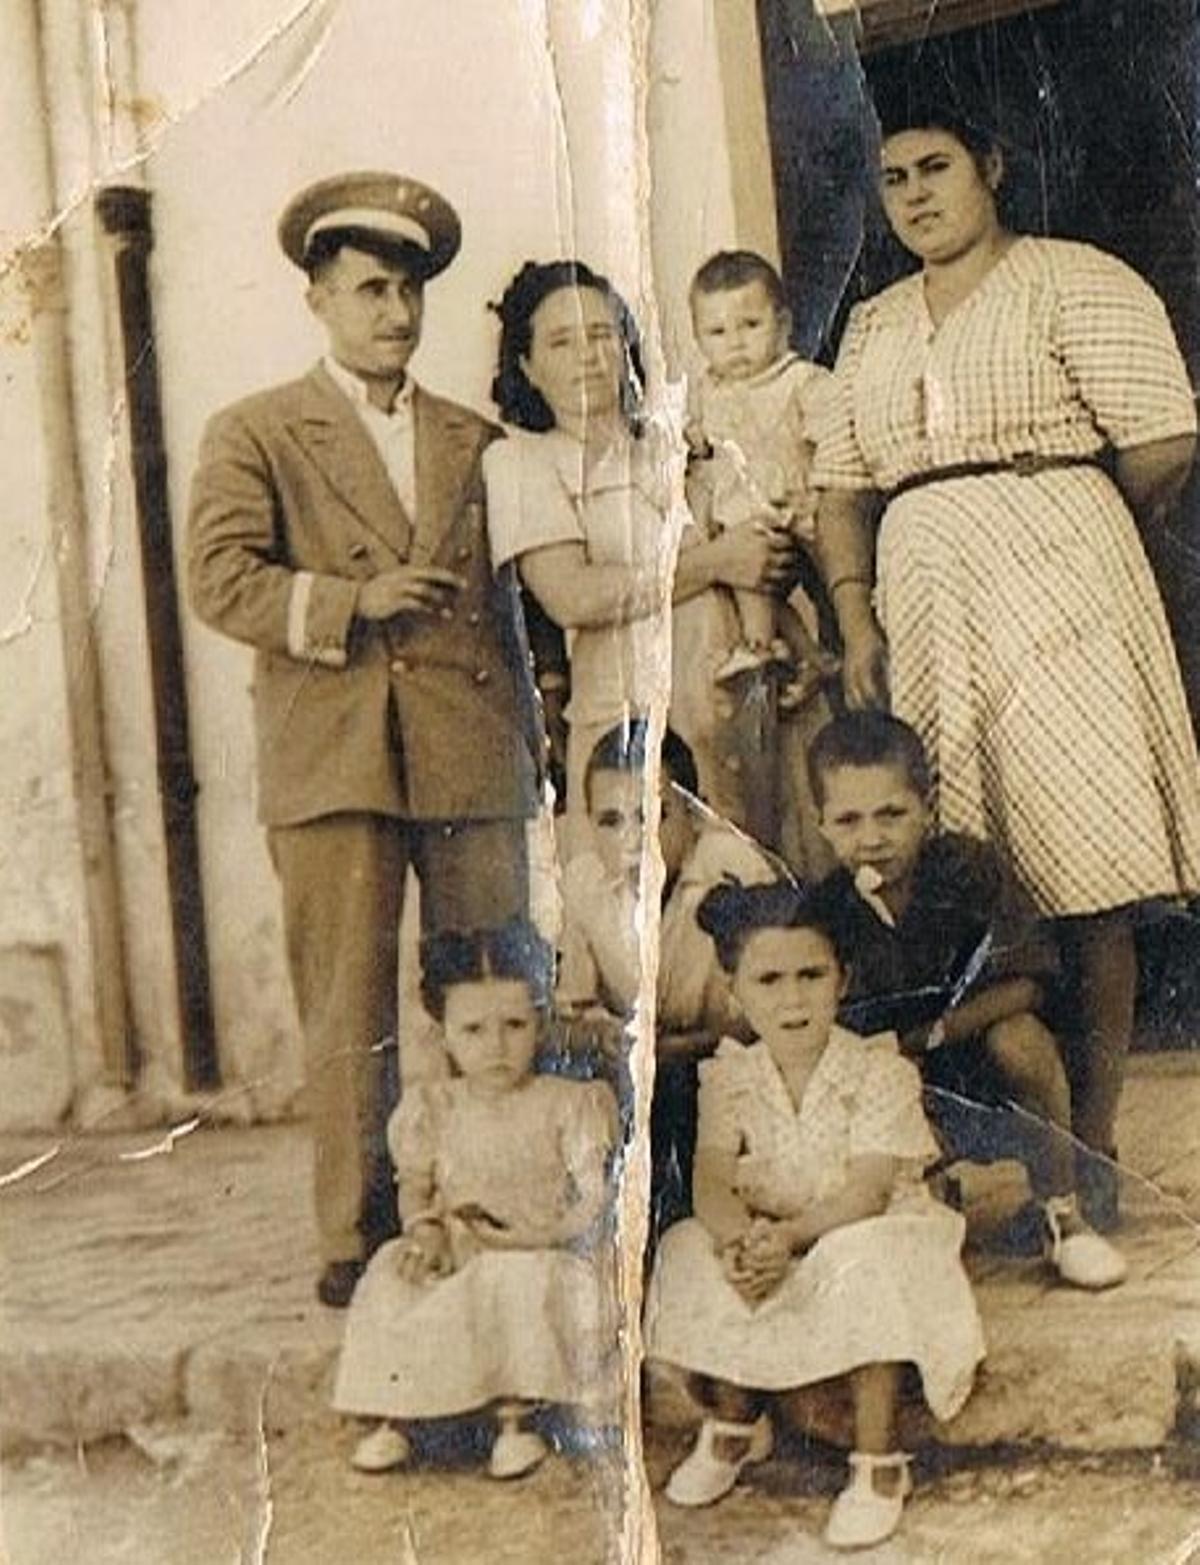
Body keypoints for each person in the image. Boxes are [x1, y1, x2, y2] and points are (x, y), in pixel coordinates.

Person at [813, 100, 1200, 1228]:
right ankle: (1023, 1160)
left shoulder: (1076, 279)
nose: (917, 193)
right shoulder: (876, 325)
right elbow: (841, 485)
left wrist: (1061, 532)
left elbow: (1165, 436)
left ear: (992, 166)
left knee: (1090, 872)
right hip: (925, 599)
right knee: (973, 867)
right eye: (893, 179)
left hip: (1063, 590)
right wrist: (856, 616)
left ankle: (1097, 1143)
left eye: (937, 167)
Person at [188, 173, 540, 1307]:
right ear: (318, 298)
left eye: (410, 293)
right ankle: (357, 1226)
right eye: (370, 290)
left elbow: (519, 600)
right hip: (333, 745)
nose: (395, 313)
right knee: (347, 999)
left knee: (493, 977)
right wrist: (350, 602)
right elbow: (219, 578)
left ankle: (509, 1198)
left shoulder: (474, 438)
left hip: (468, 744)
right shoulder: (255, 431)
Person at [644, 880, 984, 1551]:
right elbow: (712, 1176)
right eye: (769, 979)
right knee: (689, 1246)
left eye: (811, 975)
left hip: (869, 1229)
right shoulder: (730, 1075)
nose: (793, 997)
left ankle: (879, 1461)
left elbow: (865, 1191)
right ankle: (737, 1421)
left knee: (858, 1256)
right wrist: (739, 1237)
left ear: (842, 978)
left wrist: (789, 1237)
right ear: (736, 989)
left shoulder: (879, 1070)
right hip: (777, 1233)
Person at [806, 711, 1126, 1290]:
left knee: (1022, 1039)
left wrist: (935, 1034)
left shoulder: (965, 869)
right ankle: (923, 1203)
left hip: (981, 1068)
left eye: (892, 815)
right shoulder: (827, 909)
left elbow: (1027, 981)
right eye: (849, 821)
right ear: (821, 825)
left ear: (926, 809)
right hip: (898, 1083)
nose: (872, 838)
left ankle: (1063, 1216)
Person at [483, 259, 798, 847]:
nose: (588, 355)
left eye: (603, 334)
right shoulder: (521, 463)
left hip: (743, 714)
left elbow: (756, 549)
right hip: (631, 734)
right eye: (561, 341)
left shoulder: (677, 442)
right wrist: (716, 562)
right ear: (526, 366)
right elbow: (573, 596)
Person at [333, 920, 618, 1479]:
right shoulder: (434, 1107)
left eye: (514, 1025)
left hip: (546, 1253)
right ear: (444, 1036)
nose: (496, 1047)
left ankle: (516, 1421)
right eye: (474, 1030)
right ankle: (400, 1416)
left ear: (541, 1023)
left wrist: (537, 1238)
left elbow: (594, 1200)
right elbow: (416, 1185)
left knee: (514, 1282)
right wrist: (425, 1231)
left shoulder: (569, 1105)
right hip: (463, 1253)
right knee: (394, 1275)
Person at [555, 717, 775, 1238]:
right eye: (610, 821)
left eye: (653, 815)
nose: (634, 841)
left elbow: (770, 1014)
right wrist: (602, 1035)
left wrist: (674, 1049)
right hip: (637, 1073)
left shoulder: (734, 870)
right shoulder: (584, 885)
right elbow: (572, 1009)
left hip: (728, 1062)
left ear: (695, 816)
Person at [685, 249, 837, 706]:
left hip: (803, 507)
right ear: (698, 338)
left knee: (837, 584)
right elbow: (696, 441)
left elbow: (836, 437)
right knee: (753, 579)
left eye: (751, 326)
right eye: (717, 331)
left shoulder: (801, 380)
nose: (735, 342)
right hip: (747, 518)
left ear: (784, 324)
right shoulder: (705, 392)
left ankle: (832, 644)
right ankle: (767, 648)